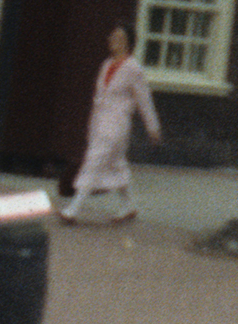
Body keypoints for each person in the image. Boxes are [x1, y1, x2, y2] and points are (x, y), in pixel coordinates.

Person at [60, 26, 162, 225]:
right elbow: (99, 97)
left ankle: (73, 208)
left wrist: (152, 127)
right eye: (112, 36)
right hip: (100, 122)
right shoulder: (106, 65)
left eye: (119, 37)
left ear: (128, 43)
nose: (113, 40)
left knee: (94, 161)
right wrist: (92, 124)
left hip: (116, 125)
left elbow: (144, 99)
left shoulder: (133, 68)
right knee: (116, 163)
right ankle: (129, 205)